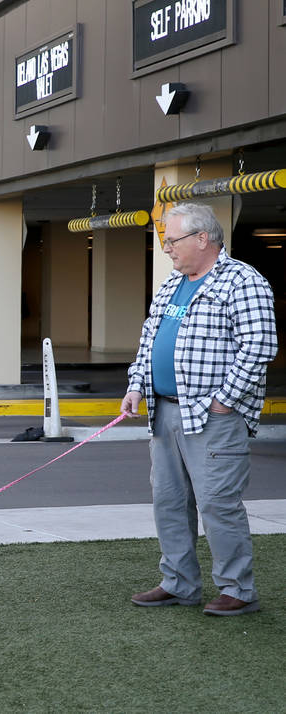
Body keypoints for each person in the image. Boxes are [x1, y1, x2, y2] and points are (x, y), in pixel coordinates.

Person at [121, 202, 278, 616]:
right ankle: (179, 583)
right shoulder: (172, 285)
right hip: (165, 412)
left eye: (171, 240)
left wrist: (225, 400)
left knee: (217, 504)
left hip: (214, 417)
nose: (167, 248)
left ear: (202, 238)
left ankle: (238, 591)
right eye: (165, 241)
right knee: (169, 502)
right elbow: (149, 341)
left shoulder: (243, 281)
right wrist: (137, 385)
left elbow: (260, 347)